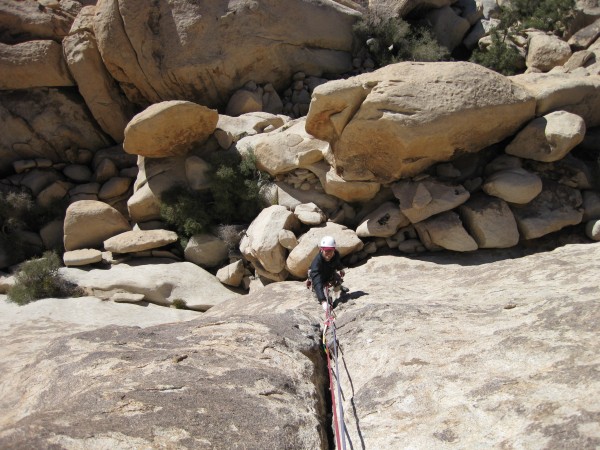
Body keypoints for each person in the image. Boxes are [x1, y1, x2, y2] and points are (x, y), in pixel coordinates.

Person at [308, 235, 348, 311]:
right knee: (320, 294)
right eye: (326, 251)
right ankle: (323, 299)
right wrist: (323, 301)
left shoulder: (335, 255)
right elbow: (317, 280)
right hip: (318, 276)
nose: (329, 254)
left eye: (331, 251)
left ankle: (339, 288)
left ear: (334, 250)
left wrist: (340, 269)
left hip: (329, 273)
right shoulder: (316, 263)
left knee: (337, 282)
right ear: (321, 250)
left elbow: (337, 263)